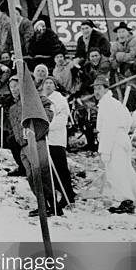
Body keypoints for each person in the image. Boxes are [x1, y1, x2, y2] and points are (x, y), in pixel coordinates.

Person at [93, 76, 136, 213]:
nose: (97, 91)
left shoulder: (107, 104)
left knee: (117, 172)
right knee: (127, 171)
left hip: (114, 140)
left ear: (106, 89)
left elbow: (109, 128)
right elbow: (128, 121)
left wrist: (106, 150)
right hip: (122, 139)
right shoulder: (115, 103)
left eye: (100, 88)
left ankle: (126, 201)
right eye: (95, 88)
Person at [7, 74, 58, 216]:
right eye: (11, 87)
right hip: (23, 145)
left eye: (16, 85)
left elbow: (49, 110)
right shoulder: (12, 108)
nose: (13, 89)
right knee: (31, 177)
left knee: (42, 173)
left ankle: (53, 206)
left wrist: (38, 129)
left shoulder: (33, 99)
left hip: (36, 142)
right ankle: (42, 205)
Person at [43, 77, 76, 207]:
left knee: (61, 169)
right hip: (45, 139)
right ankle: (61, 192)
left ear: (55, 86)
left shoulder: (60, 100)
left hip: (56, 139)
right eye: (46, 83)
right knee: (50, 169)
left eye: (51, 83)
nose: (48, 85)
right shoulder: (42, 99)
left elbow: (62, 119)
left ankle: (68, 195)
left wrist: (47, 127)